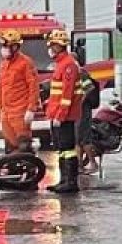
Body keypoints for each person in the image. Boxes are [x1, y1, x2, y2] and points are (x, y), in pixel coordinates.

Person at [44, 27, 85, 194]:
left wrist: (60, 115)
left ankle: (71, 181)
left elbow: (67, 95)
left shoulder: (68, 65)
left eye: (53, 45)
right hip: (57, 113)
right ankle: (63, 180)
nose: (51, 49)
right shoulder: (61, 64)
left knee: (68, 149)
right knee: (61, 149)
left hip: (65, 116)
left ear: (60, 46)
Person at [0, 30, 41, 155]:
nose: (3, 49)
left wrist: (31, 109)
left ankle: (29, 169)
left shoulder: (25, 63)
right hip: (6, 113)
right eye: (3, 46)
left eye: (6, 46)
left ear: (15, 47)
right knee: (10, 146)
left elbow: (33, 86)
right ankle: (12, 170)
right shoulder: (3, 64)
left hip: (20, 112)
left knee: (23, 145)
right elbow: (1, 87)